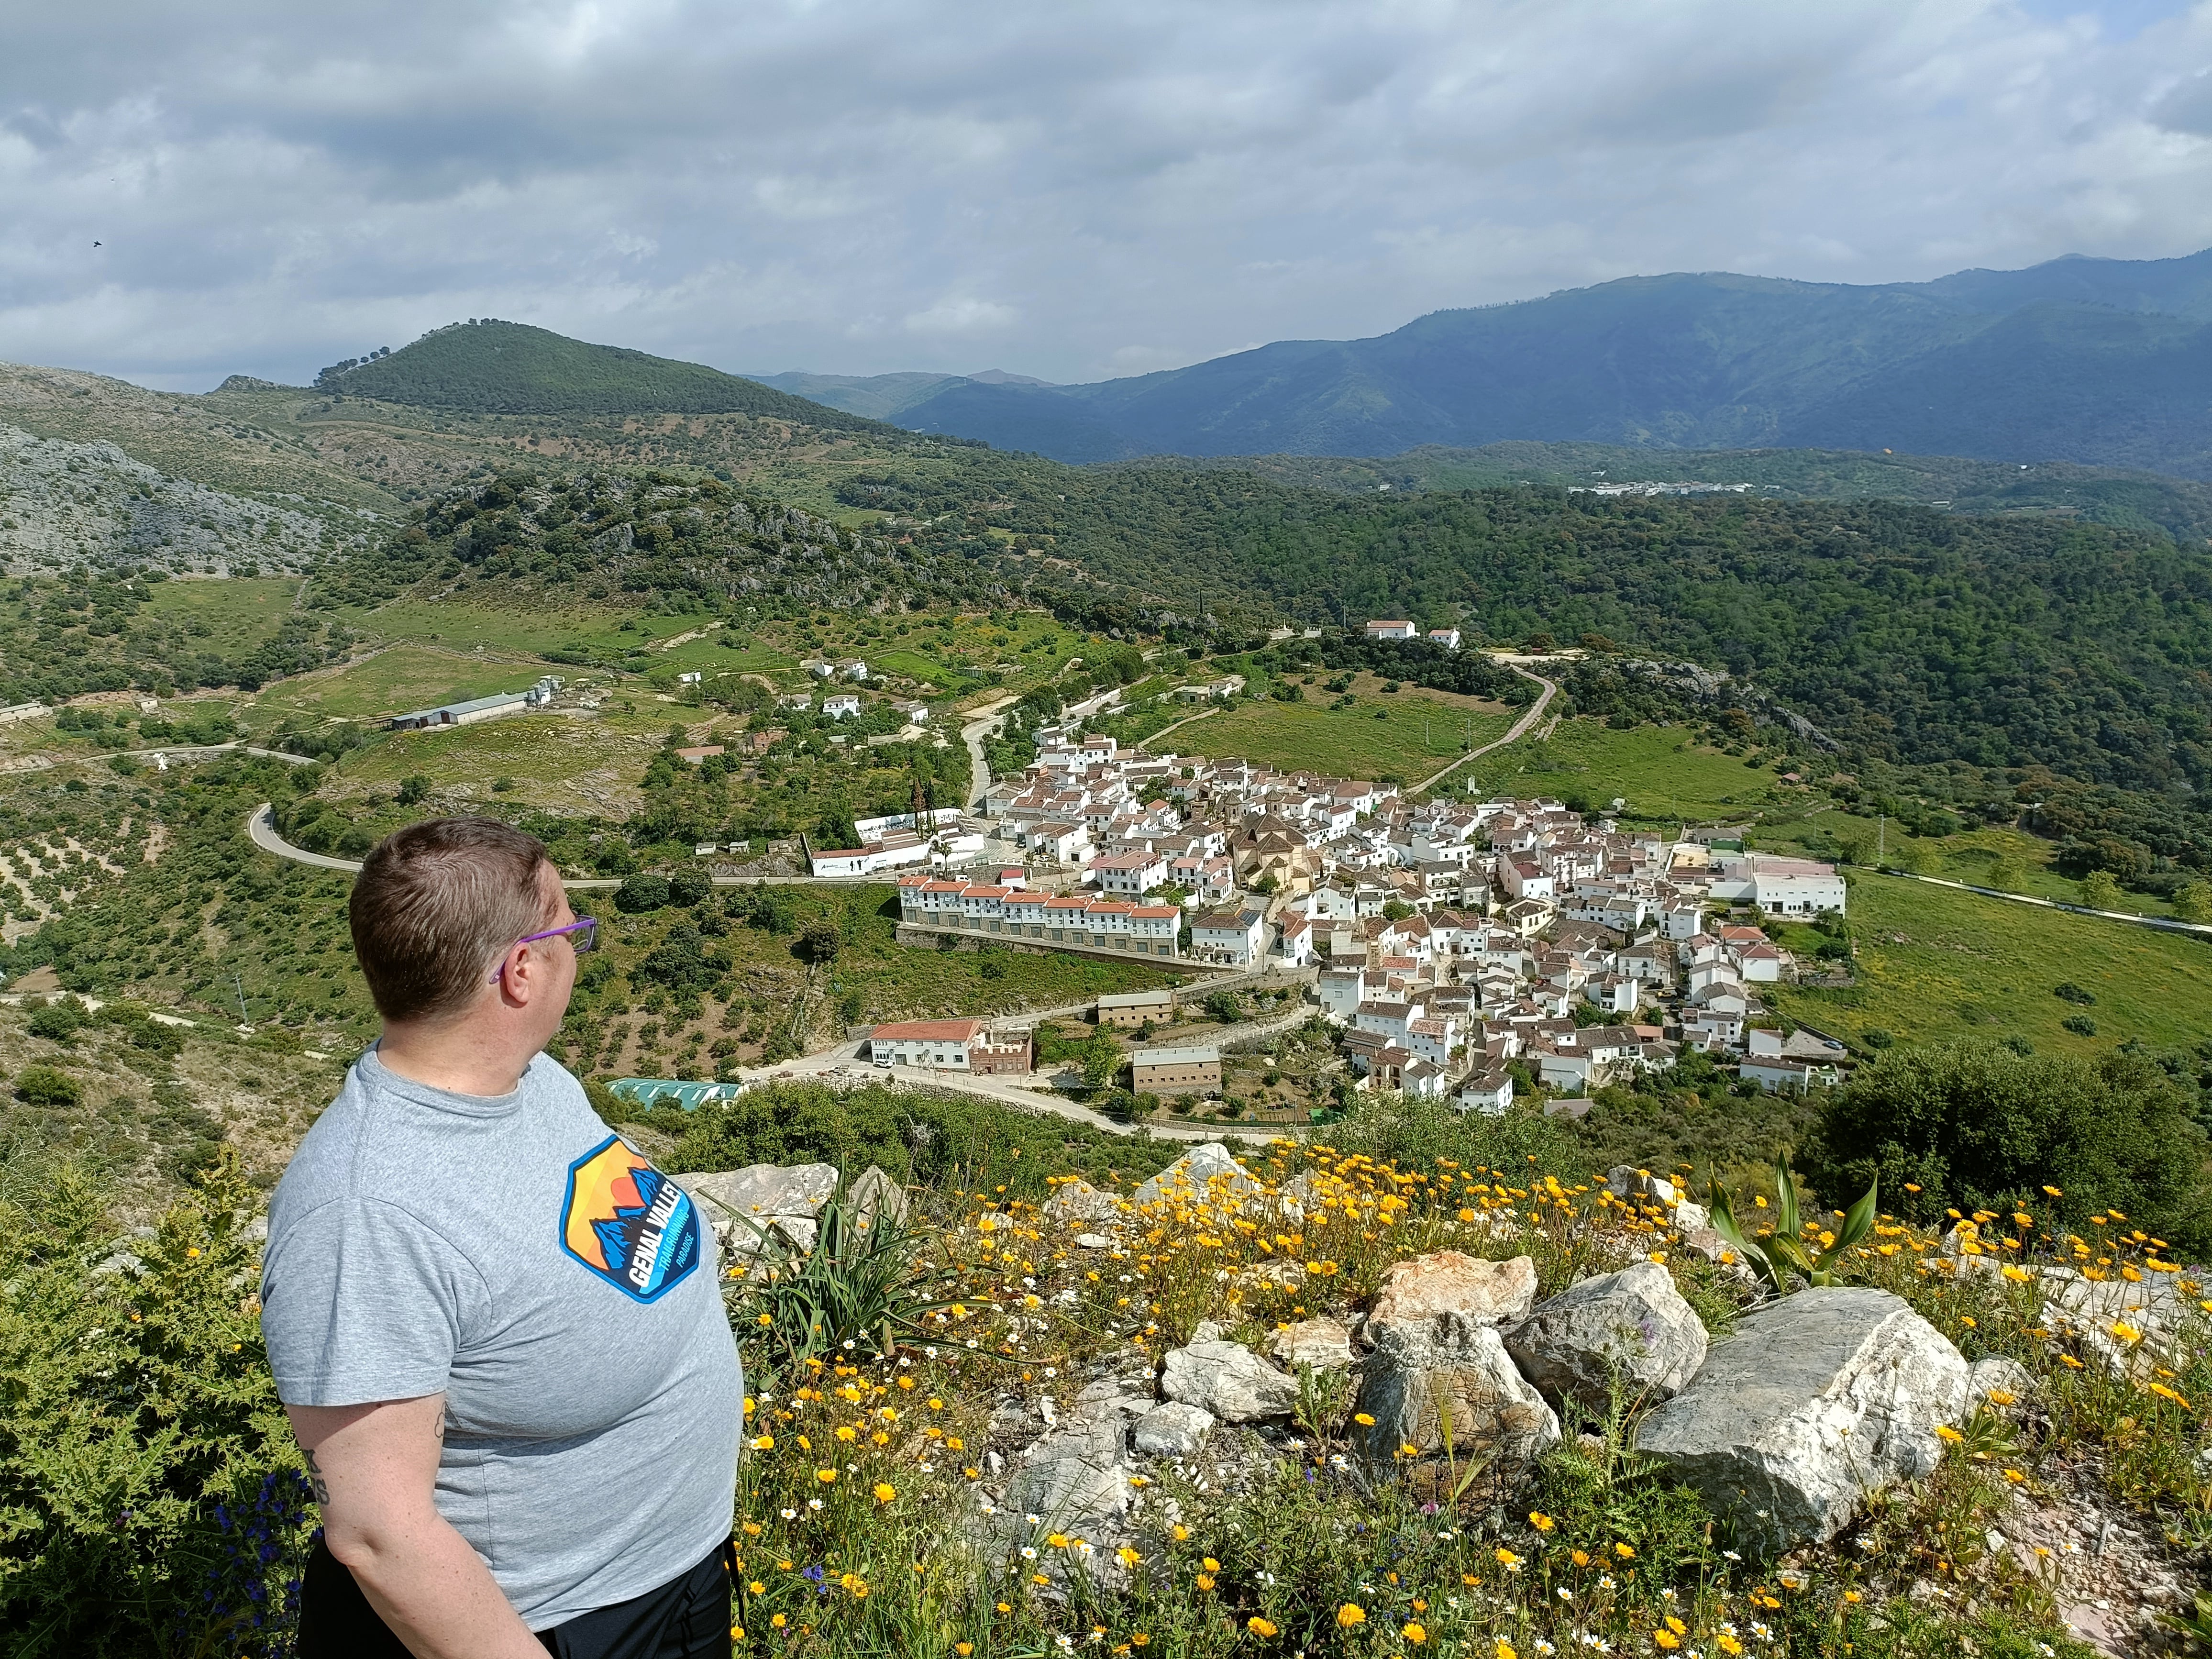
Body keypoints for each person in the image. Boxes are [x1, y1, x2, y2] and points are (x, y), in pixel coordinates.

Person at [261, 817, 741, 1659]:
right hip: (549, 1622)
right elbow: (379, 1534)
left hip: (667, 1571)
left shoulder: (533, 1080)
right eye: (571, 931)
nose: (578, 951)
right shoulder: (364, 1213)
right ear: (521, 971)